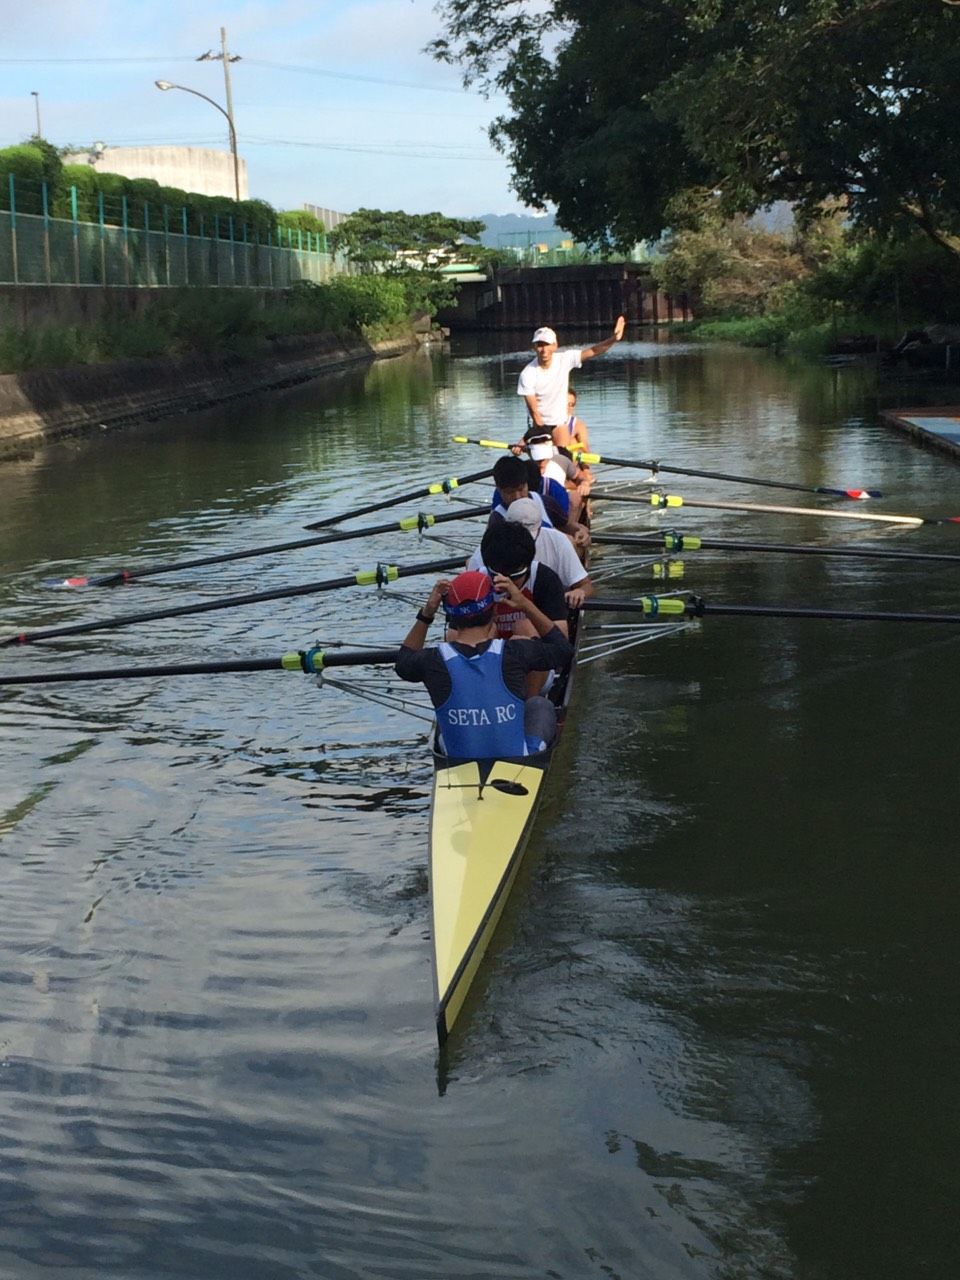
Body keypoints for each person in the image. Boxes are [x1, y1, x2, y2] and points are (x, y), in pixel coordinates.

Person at [395, 569, 573, 758]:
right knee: (539, 705)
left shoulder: (432, 659)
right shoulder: (514, 652)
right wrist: (525, 604)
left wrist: (427, 614)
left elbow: (403, 663)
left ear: (450, 614)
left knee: (441, 718)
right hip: (517, 759)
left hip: (458, 759)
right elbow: (563, 650)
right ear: (494, 610)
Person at [469, 498, 594, 610]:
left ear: (540, 527)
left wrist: (580, 592)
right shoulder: (486, 550)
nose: (525, 541)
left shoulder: (558, 541)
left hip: (549, 611)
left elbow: (586, 585)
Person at [517, 317, 625, 444]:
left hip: (559, 423)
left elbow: (594, 350)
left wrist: (614, 339)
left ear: (555, 345)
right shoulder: (528, 374)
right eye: (540, 345)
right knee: (543, 455)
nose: (544, 350)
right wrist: (542, 435)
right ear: (534, 347)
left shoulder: (565, 359)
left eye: (547, 345)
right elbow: (534, 411)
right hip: (538, 424)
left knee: (562, 453)